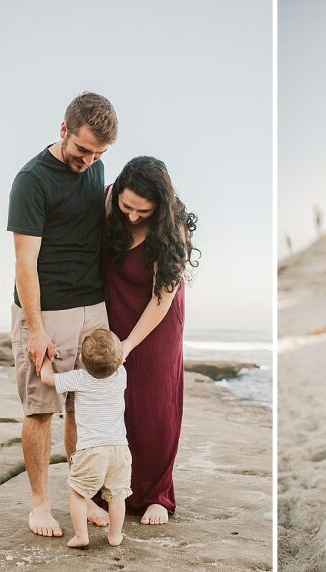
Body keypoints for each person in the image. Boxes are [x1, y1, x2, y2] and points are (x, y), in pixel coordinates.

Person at [7, 92, 117, 537]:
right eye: (82, 150)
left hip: (93, 306)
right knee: (41, 409)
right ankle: (39, 503)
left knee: (82, 408)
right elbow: (24, 263)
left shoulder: (99, 168)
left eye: (98, 154)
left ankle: (80, 493)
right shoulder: (32, 180)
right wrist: (35, 330)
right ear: (63, 130)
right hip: (45, 310)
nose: (88, 161)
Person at [101, 156, 199, 525]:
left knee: (155, 407)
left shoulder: (173, 228)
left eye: (143, 211)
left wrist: (128, 346)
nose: (132, 216)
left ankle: (158, 493)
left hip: (157, 322)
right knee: (114, 405)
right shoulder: (108, 201)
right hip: (113, 312)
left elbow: (163, 297)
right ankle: (109, 489)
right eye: (127, 206)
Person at [39, 329, 131, 548]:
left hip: (91, 450)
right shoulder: (122, 375)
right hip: (119, 448)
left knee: (78, 492)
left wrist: (45, 360)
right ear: (119, 361)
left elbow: (46, 379)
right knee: (117, 495)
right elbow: (117, 361)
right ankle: (115, 535)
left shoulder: (79, 378)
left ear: (81, 359)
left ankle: (81, 535)